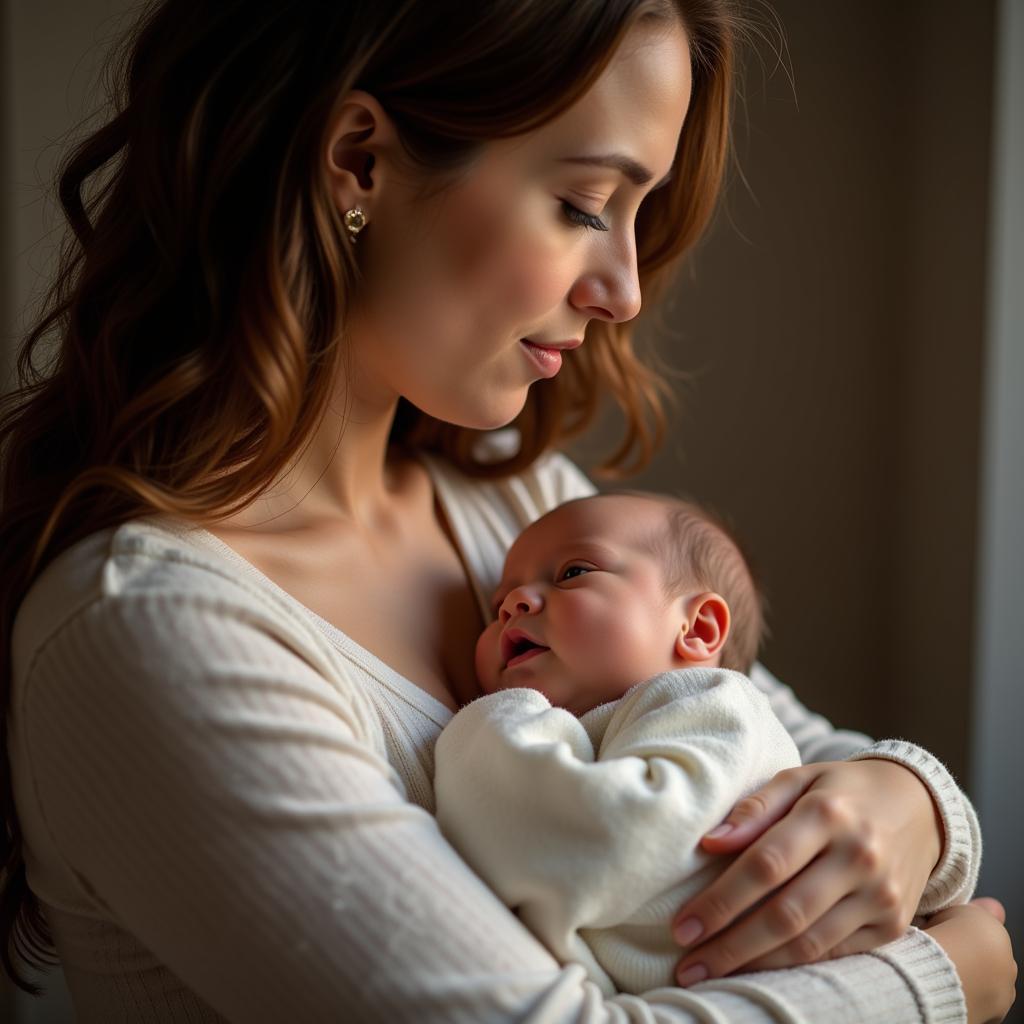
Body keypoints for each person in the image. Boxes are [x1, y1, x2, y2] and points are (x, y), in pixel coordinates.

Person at [0, 1, 1014, 1022]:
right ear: (358, 161)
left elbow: (772, 739)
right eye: (584, 203)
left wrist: (914, 801)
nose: (622, 289)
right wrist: (935, 984)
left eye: (638, 212)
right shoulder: (146, 626)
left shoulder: (510, 498)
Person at [435, 490, 805, 995]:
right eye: (499, 604)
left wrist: (501, 717)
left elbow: (613, 834)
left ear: (696, 628)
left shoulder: (720, 709)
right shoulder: (609, 730)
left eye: (572, 573)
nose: (514, 605)